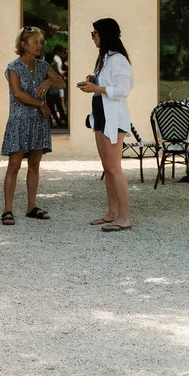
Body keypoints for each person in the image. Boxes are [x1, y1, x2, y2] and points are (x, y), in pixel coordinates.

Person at [0, 26, 65, 225]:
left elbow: (62, 83)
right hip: (20, 121)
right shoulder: (13, 67)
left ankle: (31, 207)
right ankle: (7, 210)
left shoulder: (43, 65)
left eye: (40, 41)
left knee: (35, 165)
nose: (40, 45)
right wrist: (40, 104)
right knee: (14, 165)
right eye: (35, 41)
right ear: (23, 44)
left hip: (38, 122)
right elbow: (18, 93)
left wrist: (48, 82)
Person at [79, 18, 134, 232]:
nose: (92, 37)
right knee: (107, 168)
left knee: (114, 168)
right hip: (100, 115)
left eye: (94, 33)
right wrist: (94, 82)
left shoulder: (118, 59)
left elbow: (123, 89)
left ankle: (124, 216)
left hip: (113, 118)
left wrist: (98, 88)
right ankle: (112, 212)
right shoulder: (104, 59)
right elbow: (108, 85)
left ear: (104, 34)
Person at [46, 46, 68, 128]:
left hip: (52, 90)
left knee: (53, 107)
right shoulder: (51, 65)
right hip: (52, 90)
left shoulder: (48, 66)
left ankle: (58, 122)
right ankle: (61, 121)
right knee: (57, 107)